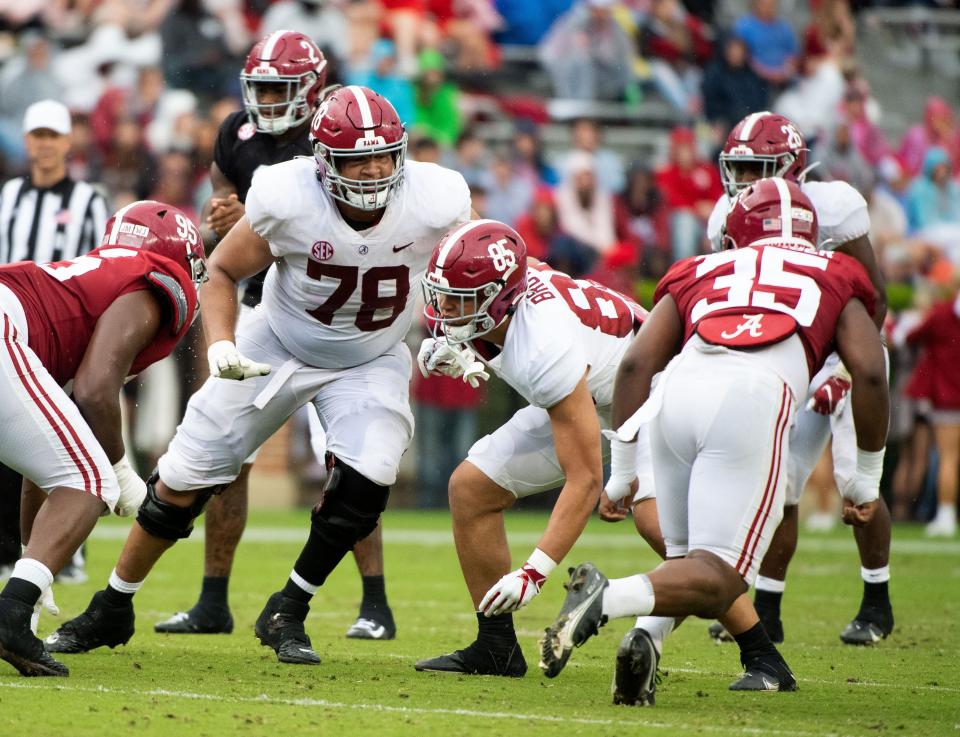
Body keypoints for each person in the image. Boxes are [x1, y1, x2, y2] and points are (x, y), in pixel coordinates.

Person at [46, 85, 474, 666]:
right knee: (183, 477)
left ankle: (288, 608)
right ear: (323, 161)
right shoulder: (286, 193)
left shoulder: (437, 194)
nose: (374, 171)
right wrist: (221, 343)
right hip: (275, 341)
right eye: (357, 158)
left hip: (369, 355)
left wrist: (460, 335)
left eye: (383, 156)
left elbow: (479, 261)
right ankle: (112, 604)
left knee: (368, 479)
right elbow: (220, 269)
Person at [539, 178, 889, 705]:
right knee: (720, 581)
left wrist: (623, 471)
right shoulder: (836, 271)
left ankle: (645, 644)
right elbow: (870, 372)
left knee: (686, 563)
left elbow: (635, 363)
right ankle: (606, 600)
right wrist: (865, 478)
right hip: (750, 398)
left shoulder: (701, 267)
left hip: (676, 397)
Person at [154, 32, 400, 645]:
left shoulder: (340, 127)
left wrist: (256, 223)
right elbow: (222, 190)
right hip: (262, 307)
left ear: (313, 87)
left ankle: (375, 603)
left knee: (350, 462)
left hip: (336, 313)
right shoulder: (237, 132)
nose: (266, 99)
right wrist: (222, 212)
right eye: (259, 86)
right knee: (222, 449)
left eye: (278, 87)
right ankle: (213, 599)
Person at [413, 219, 661, 677]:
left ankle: (758, 646)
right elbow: (491, 327)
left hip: (652, 395)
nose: (444, 307)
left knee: (660, 530)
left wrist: (534, 572)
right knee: (471, 489)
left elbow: (585, 481)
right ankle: (496, 649)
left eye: (460, 299)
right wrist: (463, 348)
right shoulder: (512, 296)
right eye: (441, 294)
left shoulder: (544, 343)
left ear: (500, 297)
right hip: (591, 392)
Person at [704, 111, 894, 648]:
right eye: (737, 169)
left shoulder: (834, 205)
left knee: (859, 486)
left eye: (757, 168)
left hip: (850, 358)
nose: (743, 183)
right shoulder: (726, 214)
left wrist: (841, 369)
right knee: (781, 483)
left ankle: (876, 602)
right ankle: (768, 609)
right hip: (791, 359)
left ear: (793, 166)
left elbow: (872, 298)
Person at [0, 199, 207, 677]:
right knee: (92, 480)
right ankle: (9, 615)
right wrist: (117, 467)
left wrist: (36, 566)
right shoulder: (154, 277)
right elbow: (95, 389)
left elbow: (45, 469)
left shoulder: (92, 283)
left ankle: (16, 608)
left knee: (73, 471)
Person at [0, 99, 110, 586]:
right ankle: (10, 547)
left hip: (62, 332)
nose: (44, 145)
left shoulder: (89, 200)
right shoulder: (8, 197)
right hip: (10, 324)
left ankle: (67, 551)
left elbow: (100, 265)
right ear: (27, 141)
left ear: (68, 142)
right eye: (37, 136)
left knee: (62, 442)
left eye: (53, 136)